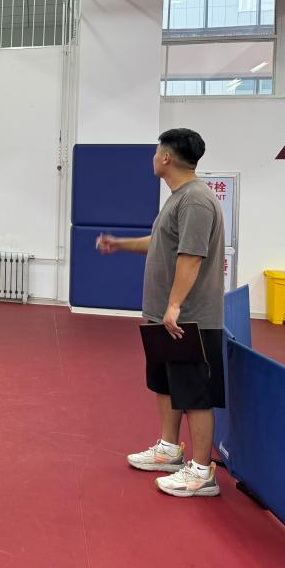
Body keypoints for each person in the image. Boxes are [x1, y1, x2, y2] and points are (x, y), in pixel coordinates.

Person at [96, 128, 225, 498]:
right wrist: (120, 244)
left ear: (166, 157)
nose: (153, 157)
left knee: (195, 394)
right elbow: (161, 243)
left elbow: (192, 255)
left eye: (156, 152)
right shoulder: (178, 198)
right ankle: (169, 450)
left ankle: (201, 472)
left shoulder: (196, 200)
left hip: (189, 319)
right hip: (166, 316)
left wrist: (174, 305)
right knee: (166, 384)